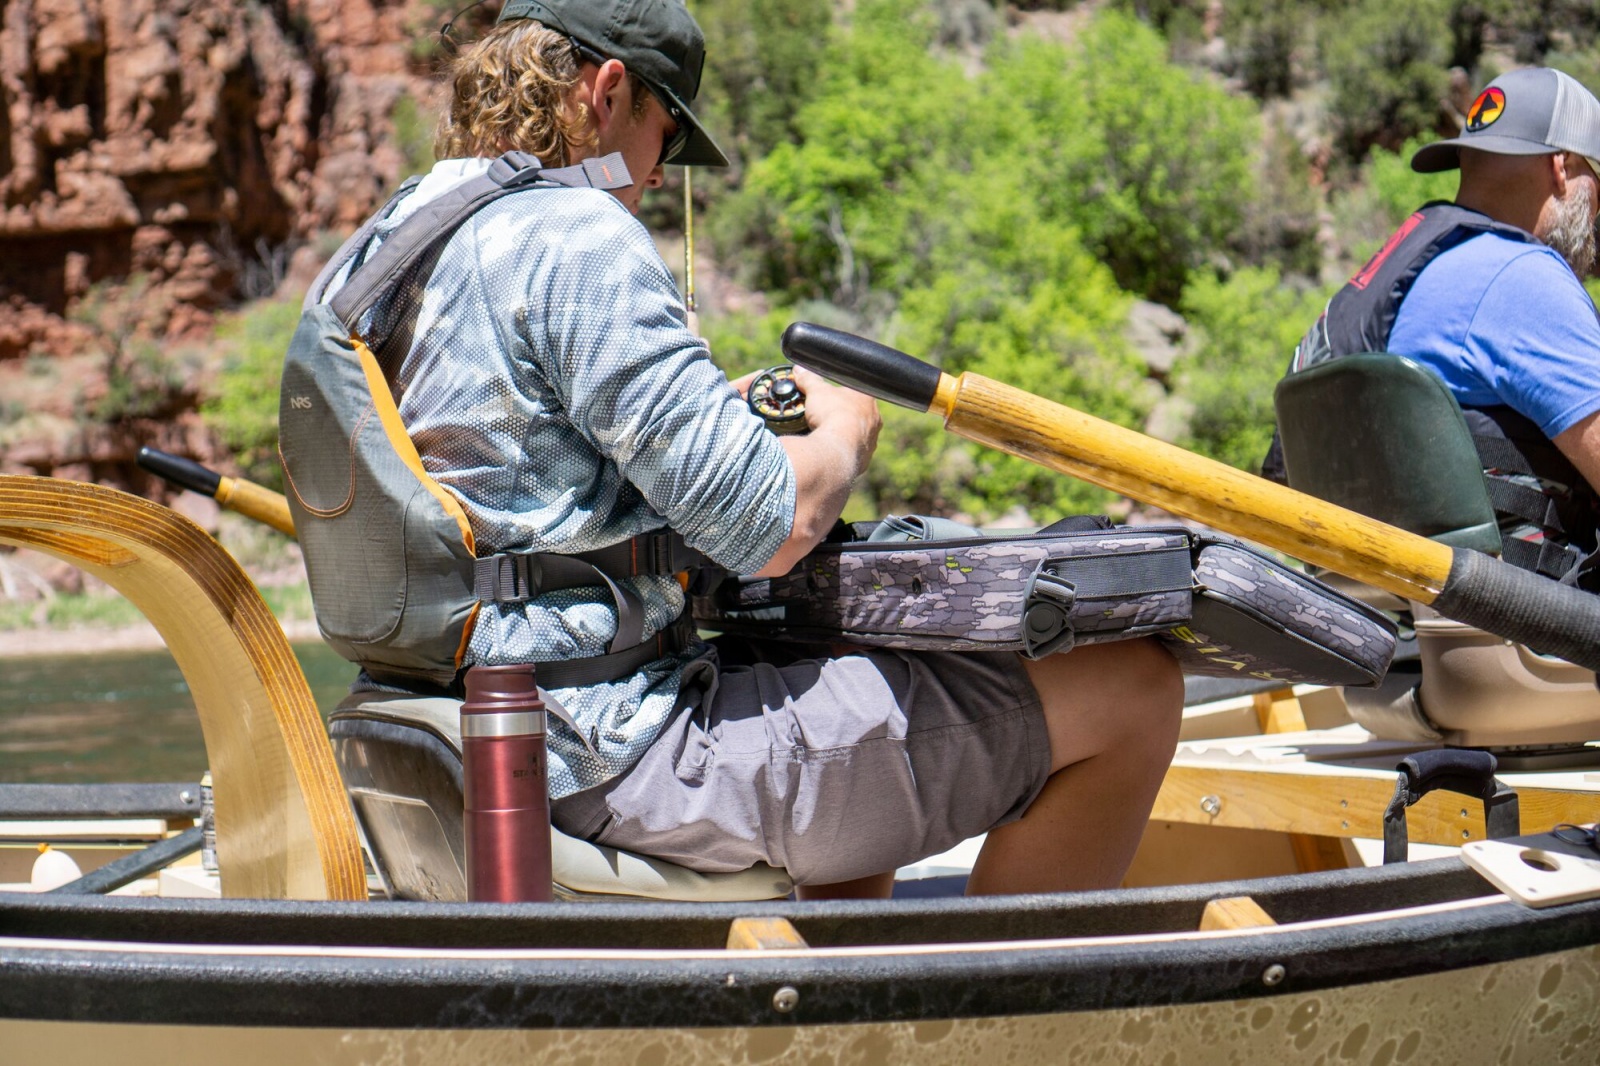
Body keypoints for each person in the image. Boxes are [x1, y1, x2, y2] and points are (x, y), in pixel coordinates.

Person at [315, 0, 1183, 898]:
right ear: (607, 93)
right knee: (1131, 686)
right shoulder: (573, 233)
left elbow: (505, 481)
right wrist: (846, 432)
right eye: (664, 134)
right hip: (604, 751)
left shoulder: (381, 245)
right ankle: (992, 991)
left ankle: (842, 972)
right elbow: (776, 526)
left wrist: (697, 432)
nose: (658, 175)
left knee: (845, 673)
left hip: (432, 723)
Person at [1264, 67, 1600, 580]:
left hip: (1379, 610)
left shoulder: (1404, 280)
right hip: (1519, 618)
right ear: (1562, 168)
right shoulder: (1523, 280)